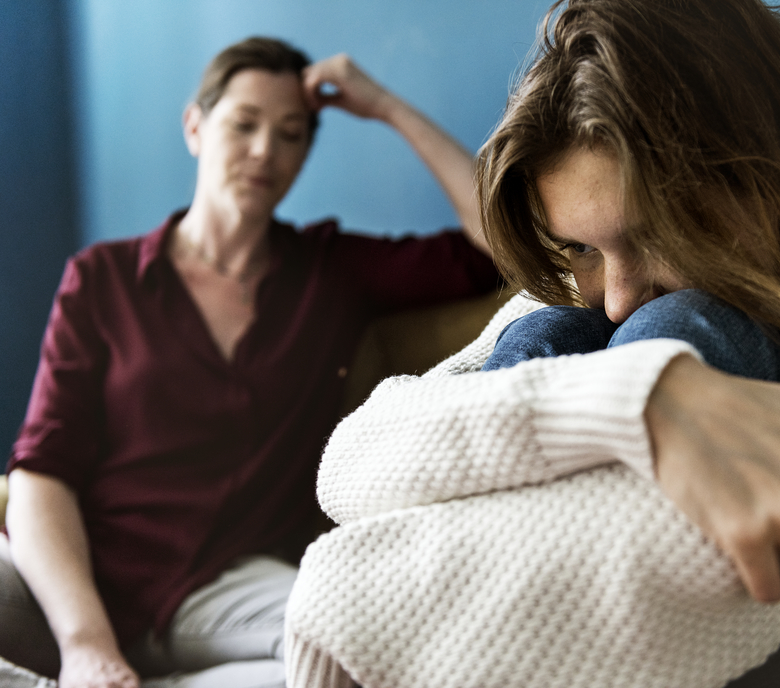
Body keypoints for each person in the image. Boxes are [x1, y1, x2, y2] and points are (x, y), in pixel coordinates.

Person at [282, 1, 780, 687]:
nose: (618, 295)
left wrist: (330, 588)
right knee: (556, 330)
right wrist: (641, 398)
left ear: (774, 177)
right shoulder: (590, 283)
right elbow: (352, 459)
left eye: (658, 234)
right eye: (581, 248)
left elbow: (644, 583)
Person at [1, 37, 498, 688]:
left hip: (232, 590)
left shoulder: (332, 273)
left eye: (292, 134)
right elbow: (41, 474)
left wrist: (384, 107)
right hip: (77, 580)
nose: (266, 150)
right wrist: (86, 644)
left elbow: (499, 244)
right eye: (245, 125)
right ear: (195, 127)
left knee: (358, 651)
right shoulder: (103, 280)